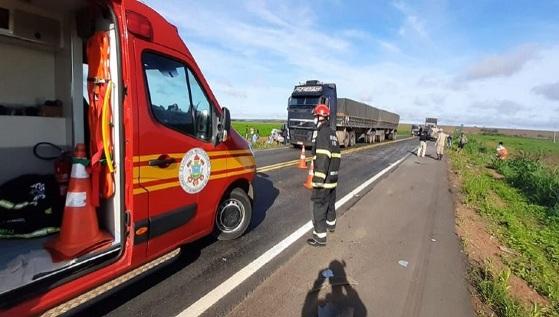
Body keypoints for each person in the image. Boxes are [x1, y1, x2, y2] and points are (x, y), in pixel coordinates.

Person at [307, 104, 340, 247]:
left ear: (320, 117)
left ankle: (320, 237)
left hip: (324, 179)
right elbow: (336, 155)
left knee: (319, 206)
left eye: (315, 116)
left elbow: (322, 157)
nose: (314, 119)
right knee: (330, 204)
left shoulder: (322, 134)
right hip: (333, 177)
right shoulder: (332, 133)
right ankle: (331, 225)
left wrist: (318, 179)